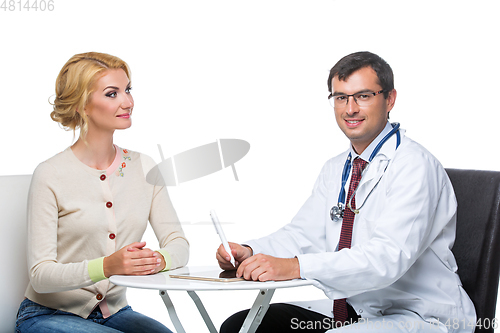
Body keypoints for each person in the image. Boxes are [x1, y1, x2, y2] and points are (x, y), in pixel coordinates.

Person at [216, 51, 476, 332]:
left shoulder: (414, 166)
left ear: (389, 99)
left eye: (363, 96)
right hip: (359, 309)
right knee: (242, 326)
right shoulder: (337, 168)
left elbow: (386, 258)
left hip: (421, 313)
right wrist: (252, 251)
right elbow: (304, 234)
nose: (350, 108)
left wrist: (294, 267)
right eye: (341, 97)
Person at [15, 52, 189, 333]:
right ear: (82, 104)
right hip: (45, 316)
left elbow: (178, 243)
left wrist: (158, 260)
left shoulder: (144, 167)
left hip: (115, 313)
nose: (127, 102)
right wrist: (107, 266)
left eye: (128, 90)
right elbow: (40, 275)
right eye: (112, 94)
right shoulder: (50, 174)